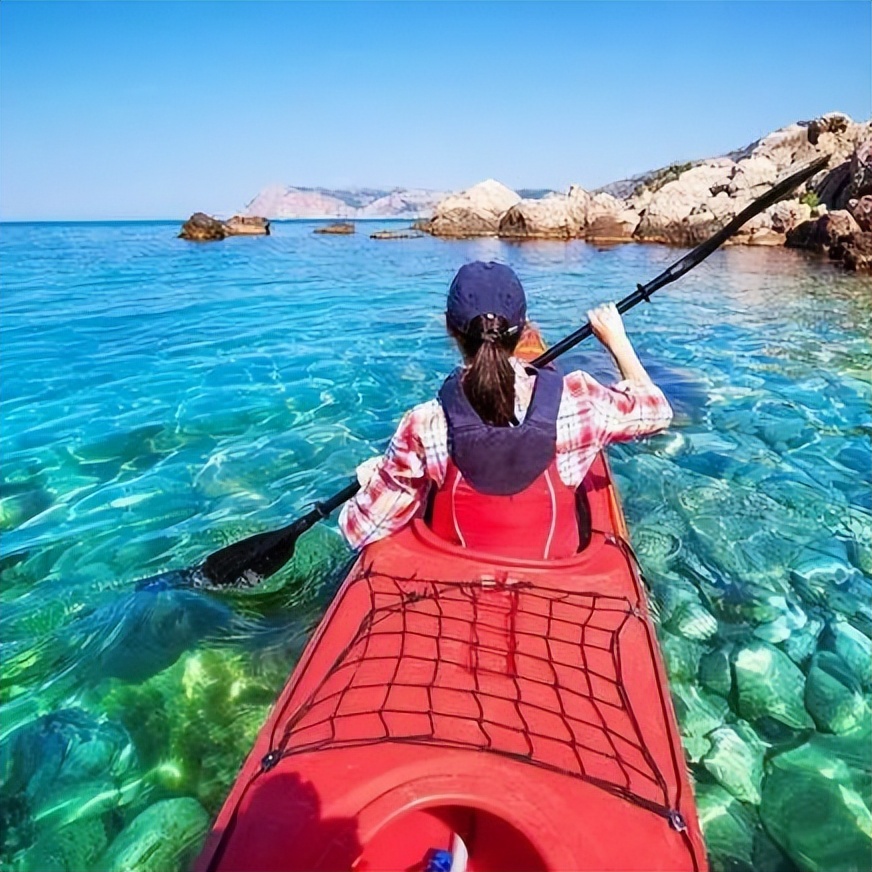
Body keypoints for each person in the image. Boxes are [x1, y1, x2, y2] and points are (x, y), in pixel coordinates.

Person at [338, 261, 672, 559]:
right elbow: (658, 412)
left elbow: (359, 530)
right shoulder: (580, 402)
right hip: (554, 581)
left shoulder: (423, 424)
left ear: (449, 328)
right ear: (525, 328)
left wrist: (374, 482)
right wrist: (617, 341)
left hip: (459, 583)